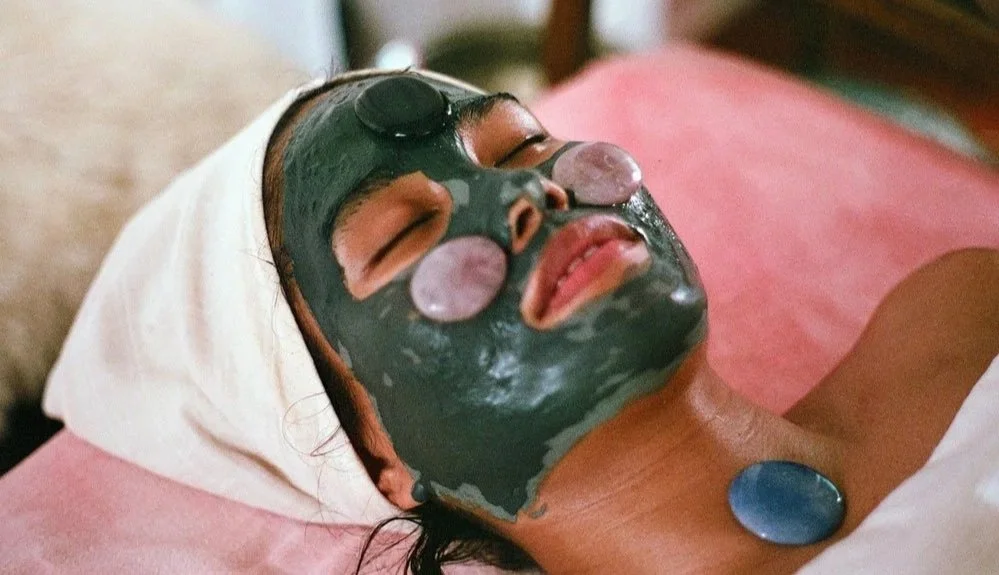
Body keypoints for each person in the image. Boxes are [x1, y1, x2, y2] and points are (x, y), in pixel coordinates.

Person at [40, 68, 999, 574]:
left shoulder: (959, 312)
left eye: (523, 145)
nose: (524, 194)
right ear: (379, 455)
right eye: (407, 235)